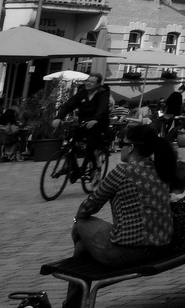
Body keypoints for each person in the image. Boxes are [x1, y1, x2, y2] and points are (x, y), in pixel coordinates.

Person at [61, 124, 177, 307]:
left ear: (131, 147)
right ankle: (73, 302)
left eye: (121, 143)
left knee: (81, 223)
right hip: (161, 247)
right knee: (83, 246)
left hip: (128, 252)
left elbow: (88, 206)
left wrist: (77, 221)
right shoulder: (159, 169)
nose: (119, 146)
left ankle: (73, 303)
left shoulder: (123, 171)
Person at [56, 74, 113, 181]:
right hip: (84, 123)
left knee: (91, 146)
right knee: (70, 141)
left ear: (98, 84)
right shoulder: (82, 93)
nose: (88, 83)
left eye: (92, 81)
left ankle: (95, 169)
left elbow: (102, 107)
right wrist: (59, 117)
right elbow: (70, 104)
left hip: (99, 124)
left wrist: (95, 119)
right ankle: (73, 168)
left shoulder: (103, 94)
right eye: (87, 81)